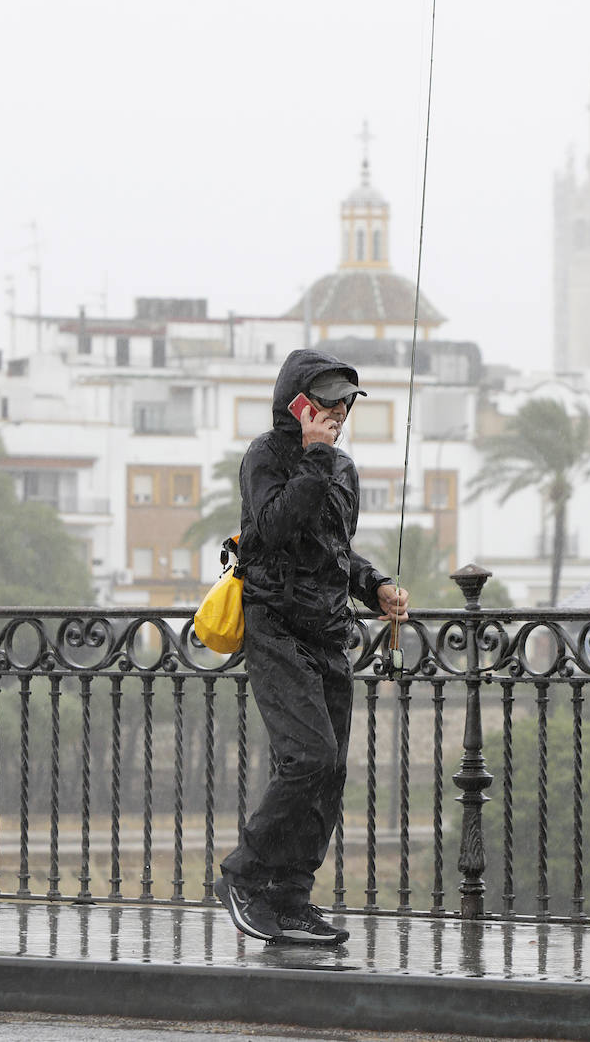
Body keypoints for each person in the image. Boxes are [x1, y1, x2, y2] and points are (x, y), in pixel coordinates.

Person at [215, 348, 409, 945]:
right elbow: (271, 531)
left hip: (328, 631)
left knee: (329, 773)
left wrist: (374, 584)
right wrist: (315, 454)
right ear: (297, 403)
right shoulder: (267, 457)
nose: (339, 411)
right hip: (274, 625)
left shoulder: (342, 469)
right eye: (327, 401)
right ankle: (244, 878)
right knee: (309, 760)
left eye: (345, 401)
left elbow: (331, 548)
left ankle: (292, 896)